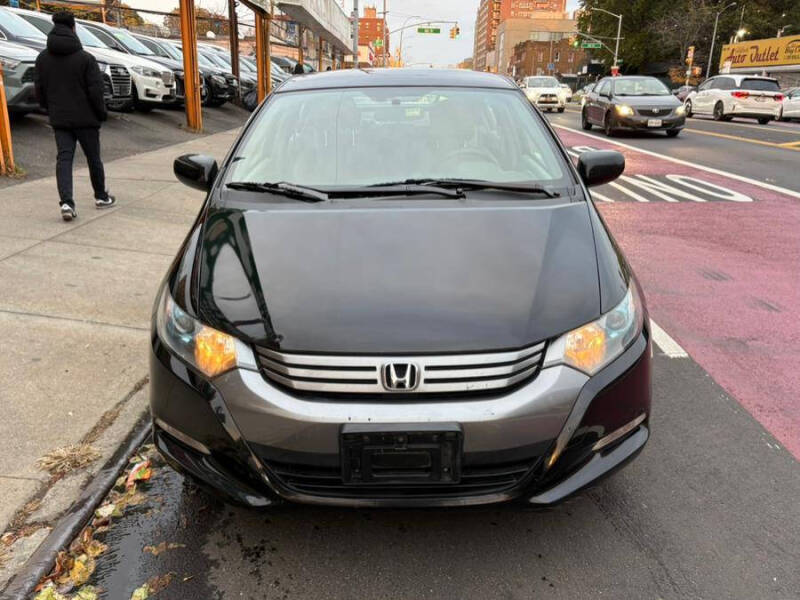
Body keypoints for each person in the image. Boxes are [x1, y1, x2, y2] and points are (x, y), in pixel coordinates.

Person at [35, 12, 115, 222]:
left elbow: (39, 90)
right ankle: (101, 196)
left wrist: (48, 109)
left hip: (59, 118)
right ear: (73, 28)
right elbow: (96, 91)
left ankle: (67, 203)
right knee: (93, 158)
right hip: (86, 119)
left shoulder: (42, 58)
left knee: (64, 159)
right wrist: (101, 114)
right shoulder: (86, 58)